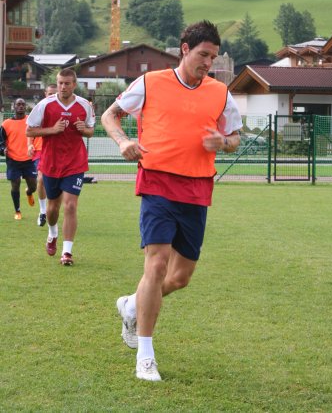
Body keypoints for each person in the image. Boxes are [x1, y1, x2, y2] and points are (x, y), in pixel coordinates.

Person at [101, 20, 242, 382]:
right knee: (157, 265)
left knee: (180, 277)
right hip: (157, 182)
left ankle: (132, 304)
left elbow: (236, 136)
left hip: (198, 189)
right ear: (184, 49)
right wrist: (122, 142)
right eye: (202, 54)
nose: (207, 62)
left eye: (212, 56)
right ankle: (145, 357)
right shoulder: (150, 83)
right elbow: (110, 114)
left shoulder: (219, 93)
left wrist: (222, 142)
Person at [26, 69, 95, 266]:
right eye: (60, 83)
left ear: (74, 84)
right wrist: (52, 130)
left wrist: (85, 130)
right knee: (53, 207)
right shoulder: (45, 105)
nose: (62, 87)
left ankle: (67, 252)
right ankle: (52, 233)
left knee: (71, 205)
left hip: (75, 163)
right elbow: (29, 131)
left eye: (66, 83)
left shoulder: (83, 105)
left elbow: (91, 129)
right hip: (51, 163)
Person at [0, 98, 37, 220]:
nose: (20, 106)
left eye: (22, 104)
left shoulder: (30, 122)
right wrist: (3, 149)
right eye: (18, 104)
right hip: (13, 160)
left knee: (33, 187)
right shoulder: (6, 124)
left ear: (25, 107)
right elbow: (1, 142)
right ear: (14, 107)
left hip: (29, 159)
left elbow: (36, 137)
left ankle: (29, 192)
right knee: (15, 185)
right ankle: (17, 211)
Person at [27, 84, 58, 226]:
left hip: (58, 151)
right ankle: (42, 211)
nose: (52, 96)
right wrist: (30, 144)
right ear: (45, 93)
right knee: (41, 179)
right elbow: (30, 130)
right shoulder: (40, 109)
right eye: (49, 93)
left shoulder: (62, 109)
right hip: (41, 150)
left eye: (54, 93)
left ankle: (52, 210)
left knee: (56, 185)